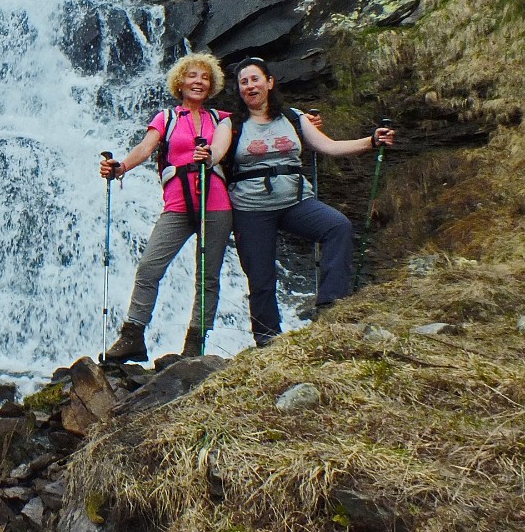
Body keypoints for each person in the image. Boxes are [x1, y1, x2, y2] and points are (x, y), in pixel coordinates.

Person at [211, 56, 396, 346]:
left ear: (270, 82)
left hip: (296, 202)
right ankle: (267, 341)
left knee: (338, 226)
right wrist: (201, 158)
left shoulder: (294, 118)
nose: (250, 85)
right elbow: (215, 153)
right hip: (251, 210)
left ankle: (330, 305)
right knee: (260, 279)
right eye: (243, 82)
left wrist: (370, 141)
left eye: (255, 79)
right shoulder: (230, 125)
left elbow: (330, 147)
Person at [99, 52, 231, 362]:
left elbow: (222, 147)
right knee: (149, 268)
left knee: (207, 277)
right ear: (180, 82)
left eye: (205, 77)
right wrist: (120, 168)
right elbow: (146, 148)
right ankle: (133, 335)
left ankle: (195, 343)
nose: (198, 81)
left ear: (211, 85)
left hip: (216, 204)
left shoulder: (220, 119)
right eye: (192, 76)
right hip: (177, 206)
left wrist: (209, 157)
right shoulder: (167, 118)